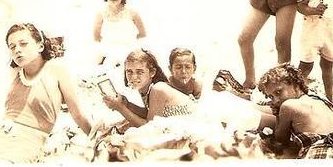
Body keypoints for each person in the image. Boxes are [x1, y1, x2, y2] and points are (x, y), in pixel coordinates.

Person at [0, 23, 93, 164]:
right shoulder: (15, 72)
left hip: (26, 142)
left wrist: (97, 141)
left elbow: (78, 114)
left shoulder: (56, 70)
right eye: (12, 47)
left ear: (40, 46)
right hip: (0, 134)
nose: (17, 50)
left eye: (23, 44)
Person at [103, 49, 275, 131]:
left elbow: (149, 127)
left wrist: (121, 109)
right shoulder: (147, 89)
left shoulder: (158, 89)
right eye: (129, 72)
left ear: (152, 72)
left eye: (140, 72)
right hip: (210, 111)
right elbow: (153, 114)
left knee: (277, 120)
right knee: (274, 117)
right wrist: (128, 105)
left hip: (217, 113)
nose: (134, 77)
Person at [258, 63, 333, 159]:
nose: (275, 100)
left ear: (296, 86)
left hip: (320, 152)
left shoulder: (288, 106)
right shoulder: (321, 99)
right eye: (271, 97)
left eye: (278, 92)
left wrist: (277, 114)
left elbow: (280, 139)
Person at [93, 0, 146, 66]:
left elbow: (142, 34)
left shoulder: (132, 12)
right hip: (107, 53)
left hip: (129, 52)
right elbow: (96, 37)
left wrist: (128, 41)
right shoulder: (101, 13)